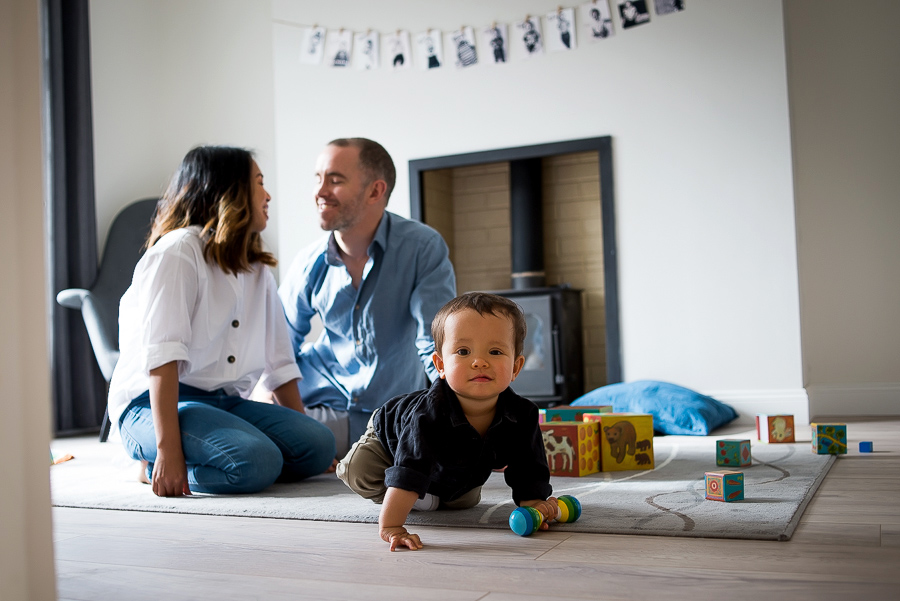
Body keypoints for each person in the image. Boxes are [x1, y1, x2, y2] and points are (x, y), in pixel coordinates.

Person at [107, 146, 335, 497]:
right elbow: (162, 359)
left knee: (320, 444)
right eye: (259, 182)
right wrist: (169, 452)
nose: (268, 195)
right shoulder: (178, 252)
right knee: (255, 463)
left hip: (223, 402)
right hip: (149, 406)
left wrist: (306, 443)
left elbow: (280, 363)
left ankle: (235, 451)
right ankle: (148, 464)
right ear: (229, 191)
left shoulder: (256, 269)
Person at [336, 292, 558, 551]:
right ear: (440, 364)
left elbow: (528, 467)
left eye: (495, 351)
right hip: (390, 440)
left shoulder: (523, 415)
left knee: (463, 500)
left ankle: (425, 493)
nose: (479, 362)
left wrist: (534, 505)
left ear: (516, 367)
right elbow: (411, 467)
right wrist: (392, 526)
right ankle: (411, 493)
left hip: (455, 463)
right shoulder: (429, 414)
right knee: (358, 471)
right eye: (463, 351)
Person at [278, 138, 456, 458]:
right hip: (322, 408)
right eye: (318, 179)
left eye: (335, 180)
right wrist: (297, 423)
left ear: (375, 191)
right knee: (256, 433)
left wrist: (465, 412)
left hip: (393, 416)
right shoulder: (308, 263)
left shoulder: (422, 247)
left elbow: (435, 341)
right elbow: (277, 349)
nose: (319, 192)